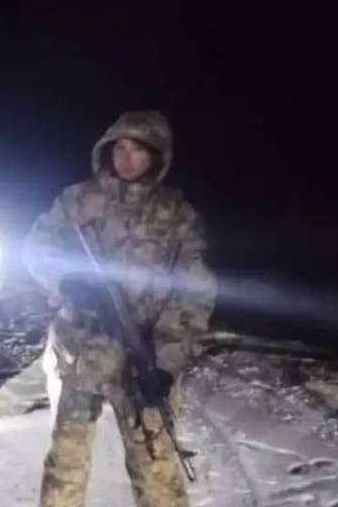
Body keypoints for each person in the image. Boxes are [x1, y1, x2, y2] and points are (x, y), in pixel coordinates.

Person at [22, 110, 217, 507]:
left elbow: (192, 295)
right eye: (120, 148)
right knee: (66, 463)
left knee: (156, 468)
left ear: (157, 156)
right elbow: (35, 248)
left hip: (141, 356)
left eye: (138, 150)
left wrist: (165, 364)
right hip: (82, 350)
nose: (126, 158)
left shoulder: (179, 217)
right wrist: (68, 281)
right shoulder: (78, 201)